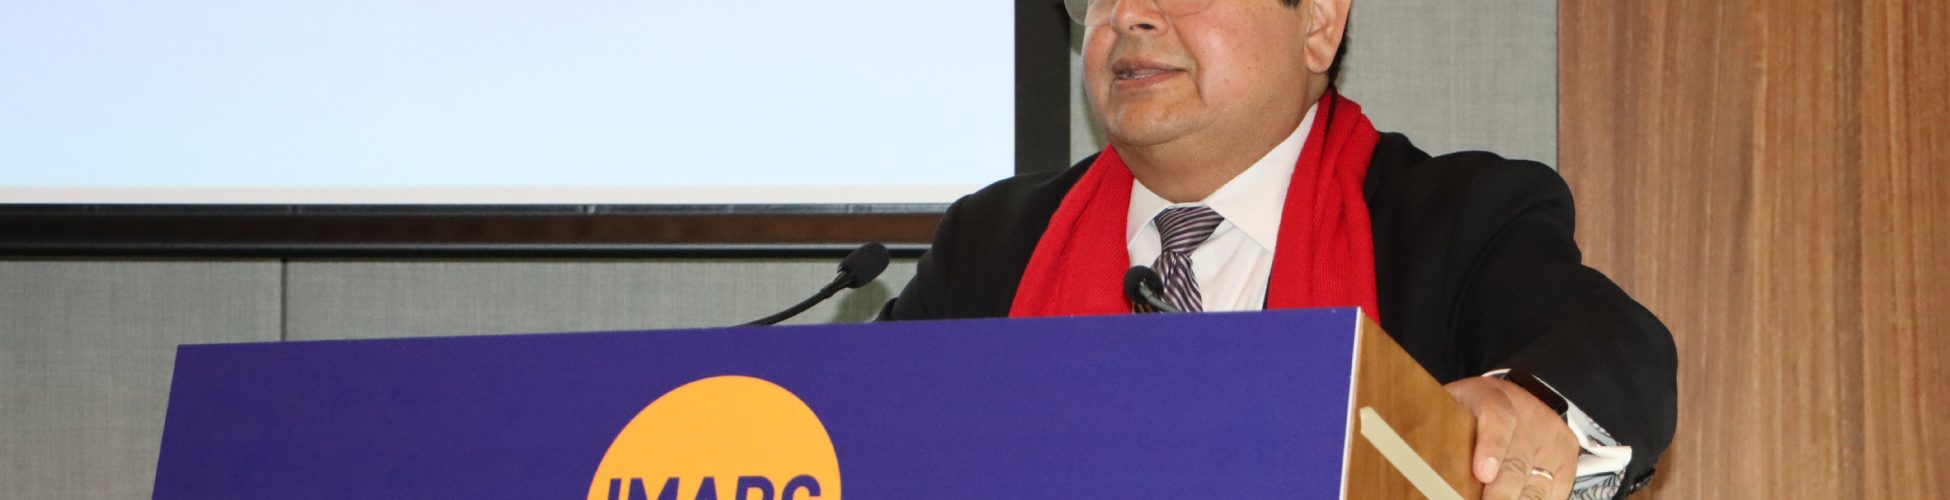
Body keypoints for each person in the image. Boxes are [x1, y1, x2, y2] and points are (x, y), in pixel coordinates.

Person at [879, 0, 1676, 498]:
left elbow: (1614, 346)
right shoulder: (992, 244)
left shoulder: (1451, 218)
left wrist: (1526, 406)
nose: (1127, 16)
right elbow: (863, 435)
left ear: (1319, 24)